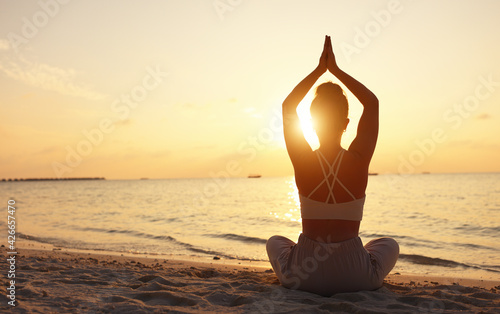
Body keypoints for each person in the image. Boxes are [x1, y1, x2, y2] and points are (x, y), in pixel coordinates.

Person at [266, 35, 399, 296]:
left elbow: (288, 106)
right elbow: (372, 103)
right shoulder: (359, 159)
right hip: (355, 274)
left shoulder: (303, 160)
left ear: (312, 122)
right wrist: (336, 70)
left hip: (303, 274)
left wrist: (319, 70)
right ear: (347, 123)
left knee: (275, 242)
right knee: (388, 244)